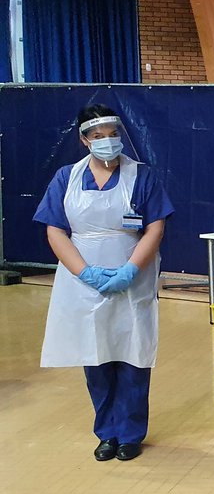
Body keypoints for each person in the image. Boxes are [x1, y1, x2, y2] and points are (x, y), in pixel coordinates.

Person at [36, 105, 173, 462]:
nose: (107, 142)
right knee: (95, 356)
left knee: (131, 354)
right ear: (84, 140)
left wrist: (129, 270)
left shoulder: (141, 176)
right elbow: (55, 230)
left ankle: (130, 433)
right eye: (98, 136)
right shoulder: (66, 178)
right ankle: (106, 432)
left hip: (132, 274)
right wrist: (85, 272)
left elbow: (155, 227)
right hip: (83, 280)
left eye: (113, 134)